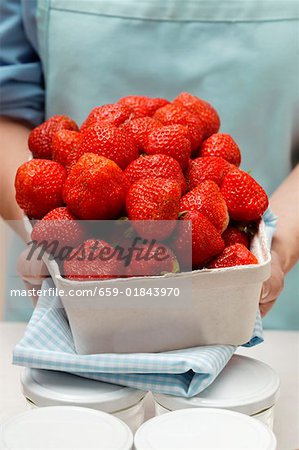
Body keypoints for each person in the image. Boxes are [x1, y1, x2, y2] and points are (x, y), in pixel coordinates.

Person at [0, 0, 298, 327]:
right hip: (72, 294)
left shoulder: (187, 177)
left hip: (252, 295)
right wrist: (50, 244)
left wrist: (275, 251)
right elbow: (5, 107)